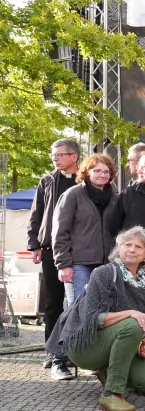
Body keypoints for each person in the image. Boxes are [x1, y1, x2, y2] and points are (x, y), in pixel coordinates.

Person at [45, 227, 145, 411]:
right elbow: (91, 318)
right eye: (127, 244)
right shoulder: (104, 273)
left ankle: (107, 370)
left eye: (138, 246)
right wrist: (129, 313)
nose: (132, 249)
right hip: (85, 344)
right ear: (118, 248)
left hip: (116, 340)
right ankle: (112, 394)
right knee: (132, 324)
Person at [28, 138, 79, 371]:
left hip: (81, 249)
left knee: (80, 302)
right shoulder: (47, 180)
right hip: (51, 249)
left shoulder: (86, 180)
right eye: (53, 155)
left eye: (59, 154)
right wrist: (35, 245)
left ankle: (80, 351)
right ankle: (52, 351)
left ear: (74, 157)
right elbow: (36, 213)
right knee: (53, 302)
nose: (55, 159)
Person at [52, 154, 118, 305]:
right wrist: (63, 264)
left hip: (107, 264)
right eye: (97, 170)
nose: (103, 174)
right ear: (87, 172)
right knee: (79, 309)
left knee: (102, 309)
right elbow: (60, 231)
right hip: (78, 264)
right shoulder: (73, 195)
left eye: (106, 172)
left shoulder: (115, 198)